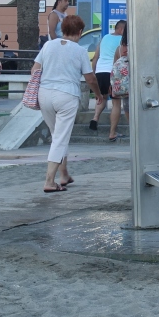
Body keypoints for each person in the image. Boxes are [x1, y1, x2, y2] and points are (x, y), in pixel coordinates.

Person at [33, 14, 104, 193]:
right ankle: (49, 181)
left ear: (63, 29)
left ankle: (64, 174)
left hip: (44, 94)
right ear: (80, 32)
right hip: (67, 95)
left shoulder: (48, 45)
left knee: (57, 135)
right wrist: (98, 94)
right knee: (60, 138)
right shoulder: (79, 51)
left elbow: (35, 69)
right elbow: (90, 78)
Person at [107, 27, 159, 142]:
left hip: (127, 91)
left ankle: (136, 144)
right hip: (144, 91)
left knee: (133, 125)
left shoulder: (119, 49)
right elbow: (155, 77)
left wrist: (113, 86)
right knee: (148, 124)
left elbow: (115, 72)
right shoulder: (146, 48)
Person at [90, 19, 124, 132]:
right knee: (116, 103)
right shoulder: (122, 40)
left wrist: (94, 73)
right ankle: (112, 132)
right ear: (121, 29)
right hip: (113, 72)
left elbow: (96, 57)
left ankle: (95, 118)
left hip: (100, 72)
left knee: (102, 97)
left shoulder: (104, 38)